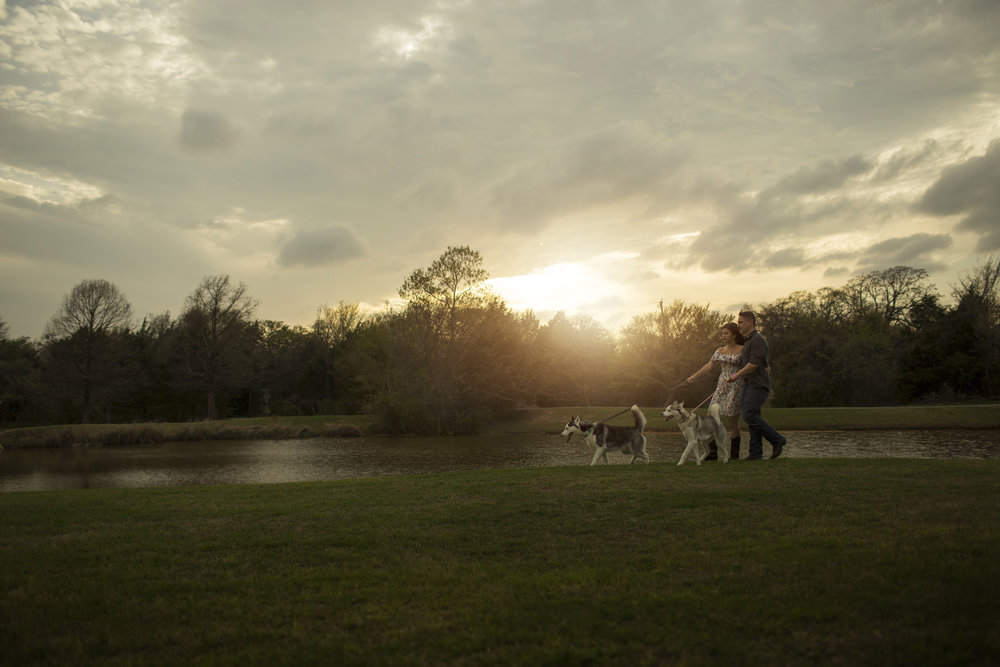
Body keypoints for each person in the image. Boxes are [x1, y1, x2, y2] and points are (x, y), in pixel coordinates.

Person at [727, 310, 786, 460]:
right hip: (750, 384)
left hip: (758, 384)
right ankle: (755, 453)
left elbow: (753, 365)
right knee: (753, 416)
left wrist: (736, 375)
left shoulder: (757, 340)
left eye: (741, 322)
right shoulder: (748, 340)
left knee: (749, 414)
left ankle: (776, 439)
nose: (738, 325)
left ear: (750, 322)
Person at [685, 322, 745, 460]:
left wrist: (766, 368)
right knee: (710, 417)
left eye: (726, 333)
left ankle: (734, 455)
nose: (723, 336)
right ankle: (712, 454)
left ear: (734, 335)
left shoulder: (743, 349)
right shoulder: (720, 351)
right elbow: (710, 365)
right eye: (722, 333)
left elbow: (751, 364)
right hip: (722, 385)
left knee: (732, 421)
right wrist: (694, 376)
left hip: (736, 385)